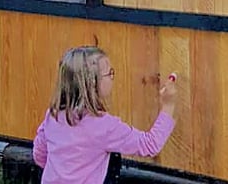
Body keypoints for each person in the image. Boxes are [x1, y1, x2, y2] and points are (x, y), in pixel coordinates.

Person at [32, 46, 177, 184]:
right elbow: (150, 145)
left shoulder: (53, 115)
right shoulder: (104, 126)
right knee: (113, 156)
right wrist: (168, 106)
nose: (112, 77)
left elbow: (39, 155)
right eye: (110, 73)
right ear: (92, 82)